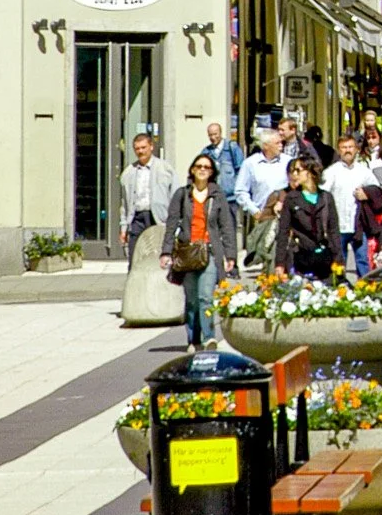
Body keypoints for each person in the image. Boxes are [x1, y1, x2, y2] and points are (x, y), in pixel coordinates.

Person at [161, 150, 237, 349]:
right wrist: (166, 251)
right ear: (192, 170)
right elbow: (171, 224)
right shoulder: (182, 194)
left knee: (206, 297)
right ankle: (193, 339)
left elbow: (226, 226)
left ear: (212, 172)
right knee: (192, 300)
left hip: (210, 251)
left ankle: (209, 337)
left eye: (207, 167)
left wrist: (230, 255)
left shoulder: (217, 195)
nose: (203, 170)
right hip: (187, 252)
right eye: (199, 167)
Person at [233, 120, 294, 268]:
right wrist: (253, 210)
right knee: (264, 249)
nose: (281, 145)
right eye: (277, 143)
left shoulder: (289, 162)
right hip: (262, 216)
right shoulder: (251, 164)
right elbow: (240, 190)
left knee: (279, 252)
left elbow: (295, 186)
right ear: (266, 146)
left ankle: (274, 279)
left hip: (284, 215)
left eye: (281, 142)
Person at [273, 153, 343, 278]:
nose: (294, 174)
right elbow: (283, 232)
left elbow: (334, 231)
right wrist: (280, 263)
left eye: (298, 170)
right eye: (293, 171)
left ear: (310, 172)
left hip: (324, 257)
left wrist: (339, 260)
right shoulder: (291, 198)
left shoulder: (326, 198)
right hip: (300, 257)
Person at [322, 131, 377, 273]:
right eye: (344, 147)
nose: (347, 150)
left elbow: (377, 191)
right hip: (338, 225)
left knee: (362, 261)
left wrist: (366, 194)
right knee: (339, 262)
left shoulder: (364, 171)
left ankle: (365, 290)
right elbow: (322, 196)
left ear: (356, 149)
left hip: (358, 224)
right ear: (339, 150)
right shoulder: (331, 172)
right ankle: (340, 290)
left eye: (350, 147)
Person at [118, 129, 175, 261]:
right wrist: (123, 227)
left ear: (151, 147)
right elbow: (124, 204)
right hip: (137, 218)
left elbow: (175, 197)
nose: (140, 151)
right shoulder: (128, 173)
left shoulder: (165, 169)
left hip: (158, 218)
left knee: (159, 258)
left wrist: (175, 224)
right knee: (135, 258)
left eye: (143, 147)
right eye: (137, 148)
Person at [208, 119, 244, 207]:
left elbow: (241, 171)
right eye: (210, 135)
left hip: (231, 199)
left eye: (215, 134)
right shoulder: (206, 152)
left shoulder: (232, 148)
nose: (213, 137)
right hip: (214, 198)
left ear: (220, 133)